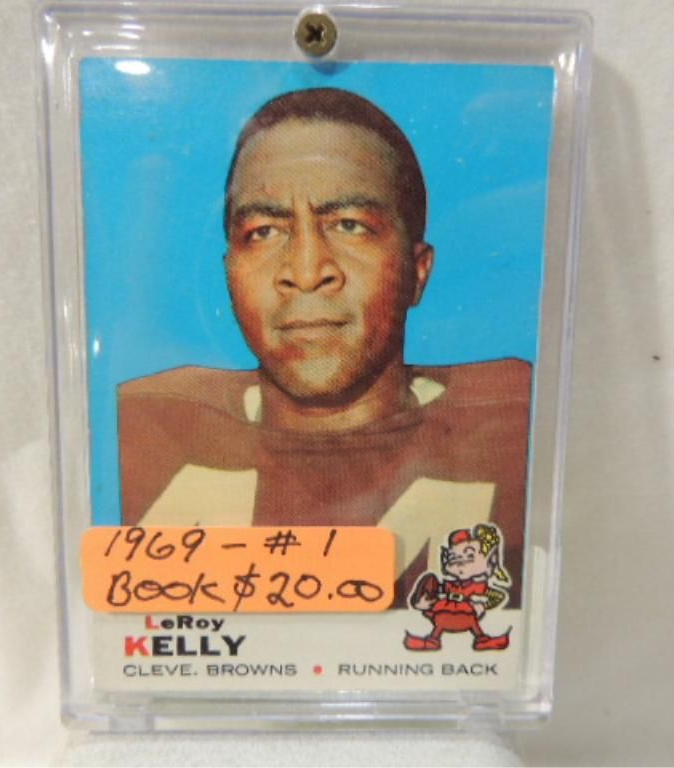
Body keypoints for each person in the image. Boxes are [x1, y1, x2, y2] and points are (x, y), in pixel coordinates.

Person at [117, 87, 531, 606]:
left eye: (349, 226)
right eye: (264, 232)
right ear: (229, 272)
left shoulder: (522, 421)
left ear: (418, 271)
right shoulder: (141, 426)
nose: (307, 270)